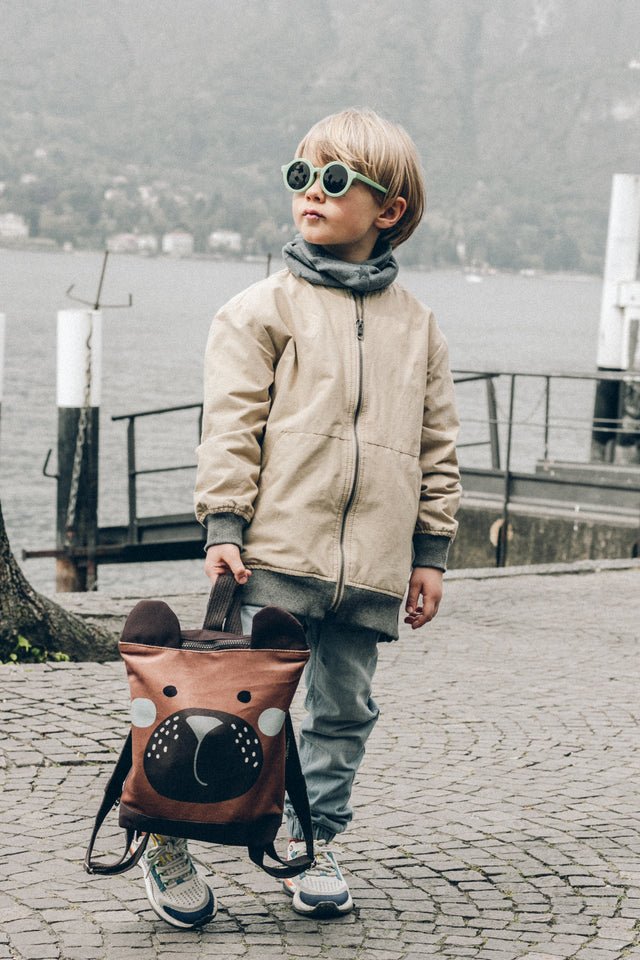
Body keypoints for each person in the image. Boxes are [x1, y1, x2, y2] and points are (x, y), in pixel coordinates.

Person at [139, 107, 461, 928]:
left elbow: (437, 446)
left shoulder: (419, 327)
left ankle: (312, 841)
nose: (311, 192)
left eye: (335, 178)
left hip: (374, 570)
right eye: (300, 176)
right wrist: (223, 527)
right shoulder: (259, 310)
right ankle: (167, 835)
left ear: (389, 209)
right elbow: (231, 428)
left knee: (341, 714)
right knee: (234, 711)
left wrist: (429, 554)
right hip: (274, 556)